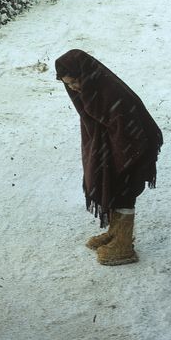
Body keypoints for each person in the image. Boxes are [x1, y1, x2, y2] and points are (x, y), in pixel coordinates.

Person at [55, 49, 163, 266]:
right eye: (68, 84)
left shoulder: (110, 92)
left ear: (85, 75)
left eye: (76, 81)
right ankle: (116, 233)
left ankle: (124, 246)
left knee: (124, 189)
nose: (74, 87)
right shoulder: (92, 92)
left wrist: (120, 162)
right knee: (113, 185)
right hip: (119, 143)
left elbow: (128, 132)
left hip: (136, 145)